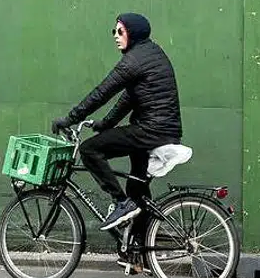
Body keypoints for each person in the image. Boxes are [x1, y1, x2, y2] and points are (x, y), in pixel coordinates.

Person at [51, 13, 182, 231]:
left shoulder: (135, 60)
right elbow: (129, 98)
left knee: (90, 150)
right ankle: (138, 253)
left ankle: (121, 203)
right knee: (136, 189)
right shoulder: (149, 54)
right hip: (160, 131)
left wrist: (71, 119)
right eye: (114, 31)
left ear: (133, 33)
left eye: (120, 31)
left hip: (150, 130)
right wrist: (105, 124)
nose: (115, 36)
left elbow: (103, 92)